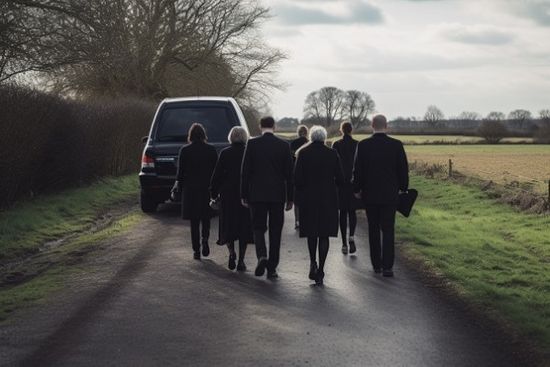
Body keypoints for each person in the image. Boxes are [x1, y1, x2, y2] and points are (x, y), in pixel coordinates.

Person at [352, 115, 409, 277]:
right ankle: (388, 267)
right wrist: (403, 188)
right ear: (387, 125)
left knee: (374, 229)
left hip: (370, 194)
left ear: (372, 125)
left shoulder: (363, 145)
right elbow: (403, 170)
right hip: (390, 194)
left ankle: (376, 264)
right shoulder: (396, 145)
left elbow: (358, 170)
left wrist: (357, 189)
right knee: (388, 229)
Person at [241, 116, 294, 279]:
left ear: (260, 126)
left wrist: (244, 194)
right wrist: (290, 198)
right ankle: (272, 268)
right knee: (275, 231)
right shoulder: (284, 146)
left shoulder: (252, 144)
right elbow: (289, 175)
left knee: (258, 228)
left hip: (256, 194)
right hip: (277, 195)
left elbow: (245, 172)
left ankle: (262, 256)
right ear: (274, 126)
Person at [294, 126, 344, 285]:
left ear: (311, 137)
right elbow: (341, 179)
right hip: (328, 199)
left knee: (311, 233)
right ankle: (321, 269)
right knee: (324, 234)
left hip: (309, 199)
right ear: (324, 138)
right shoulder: (332, 154)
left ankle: (312, 262)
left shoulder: (303, 153)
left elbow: (297, 179)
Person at [210, 127, 253, 271]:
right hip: (245, 194)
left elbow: (216, 176)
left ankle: (231, 253)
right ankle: (241, 259)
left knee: (228, 225)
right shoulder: (250, 153)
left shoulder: (225, 153)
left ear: (231, 137)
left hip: (228, 194)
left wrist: (213, 194)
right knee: (243, 227)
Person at [176, 123, 218, 260]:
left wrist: (179, 188)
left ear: (191, 136)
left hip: (191, 190)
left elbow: (180, 173)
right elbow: (216, 172)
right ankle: (205, 239)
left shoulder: (185, 150)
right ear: (203, 135)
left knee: (194, 222)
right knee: (206, 218)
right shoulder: (211, 150)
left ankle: (196, 250)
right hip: (207, 189)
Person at [331, 121, 359, 255]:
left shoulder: (336, 144)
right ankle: (351, 236)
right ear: (351, 130)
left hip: (340, 183)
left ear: (341, 130)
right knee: (352, 211)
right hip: (353, 183)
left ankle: (343, 244)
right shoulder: (357, 144)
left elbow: (333, 164)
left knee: (342, 212)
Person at [290, 125, 309, 229]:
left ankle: (297, 221)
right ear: (306, 132)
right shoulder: (309, 143)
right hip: (308, 174)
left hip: (296, 173)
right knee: (305, 199)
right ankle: (304, 219)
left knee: (296, 200)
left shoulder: (293, 143)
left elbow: (291, 159)